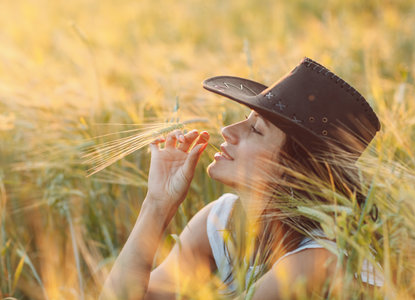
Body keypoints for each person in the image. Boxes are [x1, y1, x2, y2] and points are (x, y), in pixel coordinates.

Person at [100, 57, 382, 299]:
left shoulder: (316, 258)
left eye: (256, 130)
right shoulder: (223, 220)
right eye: (245, 120)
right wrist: (158, 204)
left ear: (293, 168)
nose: (227, 130)